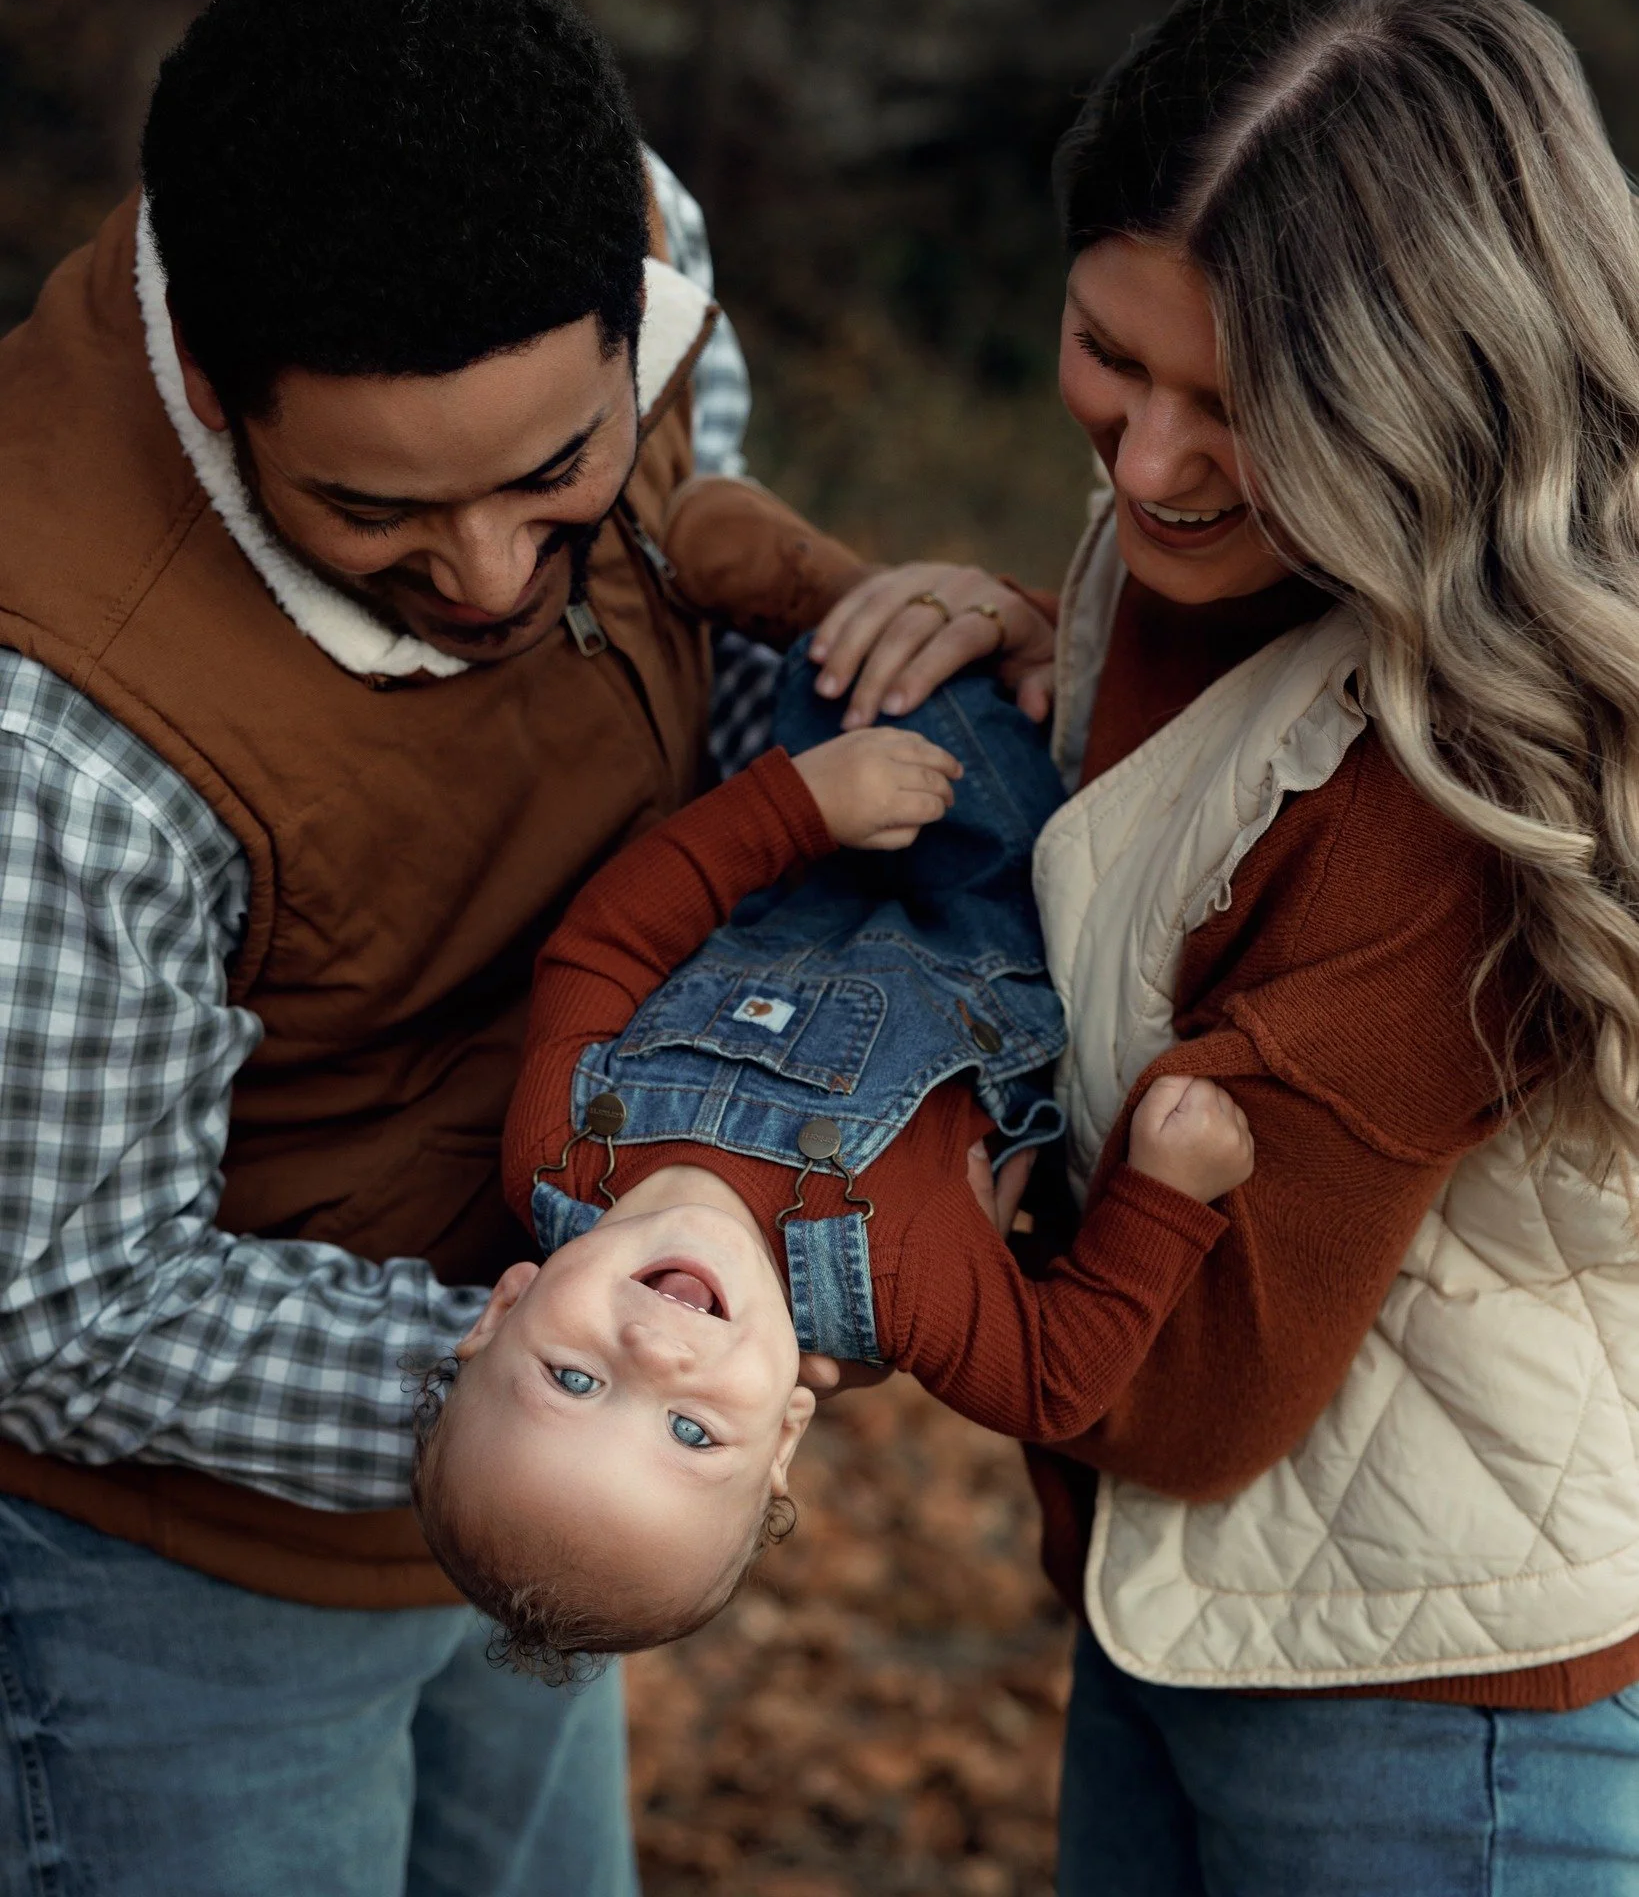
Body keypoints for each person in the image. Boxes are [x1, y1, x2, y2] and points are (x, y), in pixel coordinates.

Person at [0, 0, 1054, 1896]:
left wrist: (895, 661)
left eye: (550, 470)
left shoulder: (631, 231)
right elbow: (56, 1309)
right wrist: (612, 1373)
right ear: (215, 393)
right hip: (194, 1578)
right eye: (380, 518)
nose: (488, 575)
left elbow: (671, 594)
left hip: (538, 1505)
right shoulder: (55, 748)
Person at [939, 0, 1639, 1896]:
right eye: (1110, 353)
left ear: (1422, 395)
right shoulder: (1215, 546)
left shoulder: (1440, 797)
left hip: (1431, 1719)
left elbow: (1197, 1389)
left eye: (1237, 405)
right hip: (1193, 1614)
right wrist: (974, 666)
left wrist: (869, 1230)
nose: (1149, 462)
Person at [408, 648, 1252, 1673]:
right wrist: (1164, 1195)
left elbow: (604, 945)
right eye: (689, 1432)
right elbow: (1054, 1380)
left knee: (850, 665)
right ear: (783, 1433)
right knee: (1008, 696)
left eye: (574, 1377)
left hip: (807, 851)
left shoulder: (561, 1148)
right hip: (1007, 885)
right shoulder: (898, 1286)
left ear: (501, 1307)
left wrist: (791, 807)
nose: (655, 1356)